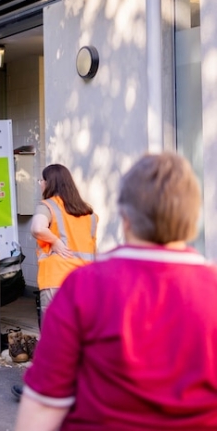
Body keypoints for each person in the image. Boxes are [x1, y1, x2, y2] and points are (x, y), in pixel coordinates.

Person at [15, 152, 217, 430]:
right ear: (195, 218)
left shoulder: (82, 290)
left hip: (57, 277)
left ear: (125, 217)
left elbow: (43, 408)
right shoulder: (211, 291)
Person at [11, 164, 98, 392]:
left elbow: (38, 228)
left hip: (57, 279)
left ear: (50, 183)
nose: (40, 184)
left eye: (42, 180)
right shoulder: (89, 214)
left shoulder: (47, 206)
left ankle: (45, 388)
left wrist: (57, 242)